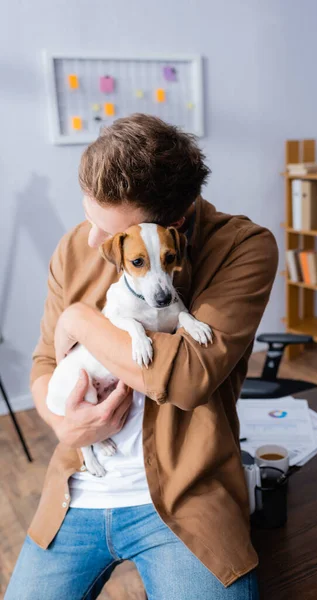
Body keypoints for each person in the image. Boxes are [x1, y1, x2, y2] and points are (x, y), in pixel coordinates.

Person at [5, 114, 278, 600]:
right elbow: (46, 364)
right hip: (78, 490)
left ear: (170, 228)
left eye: (105, 229)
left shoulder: (243, 246)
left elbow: (191, 375)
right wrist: (61, 423)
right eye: (90, 218)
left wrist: (81, 320)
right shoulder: (74, 247)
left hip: (187, 498)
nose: (91, 242)